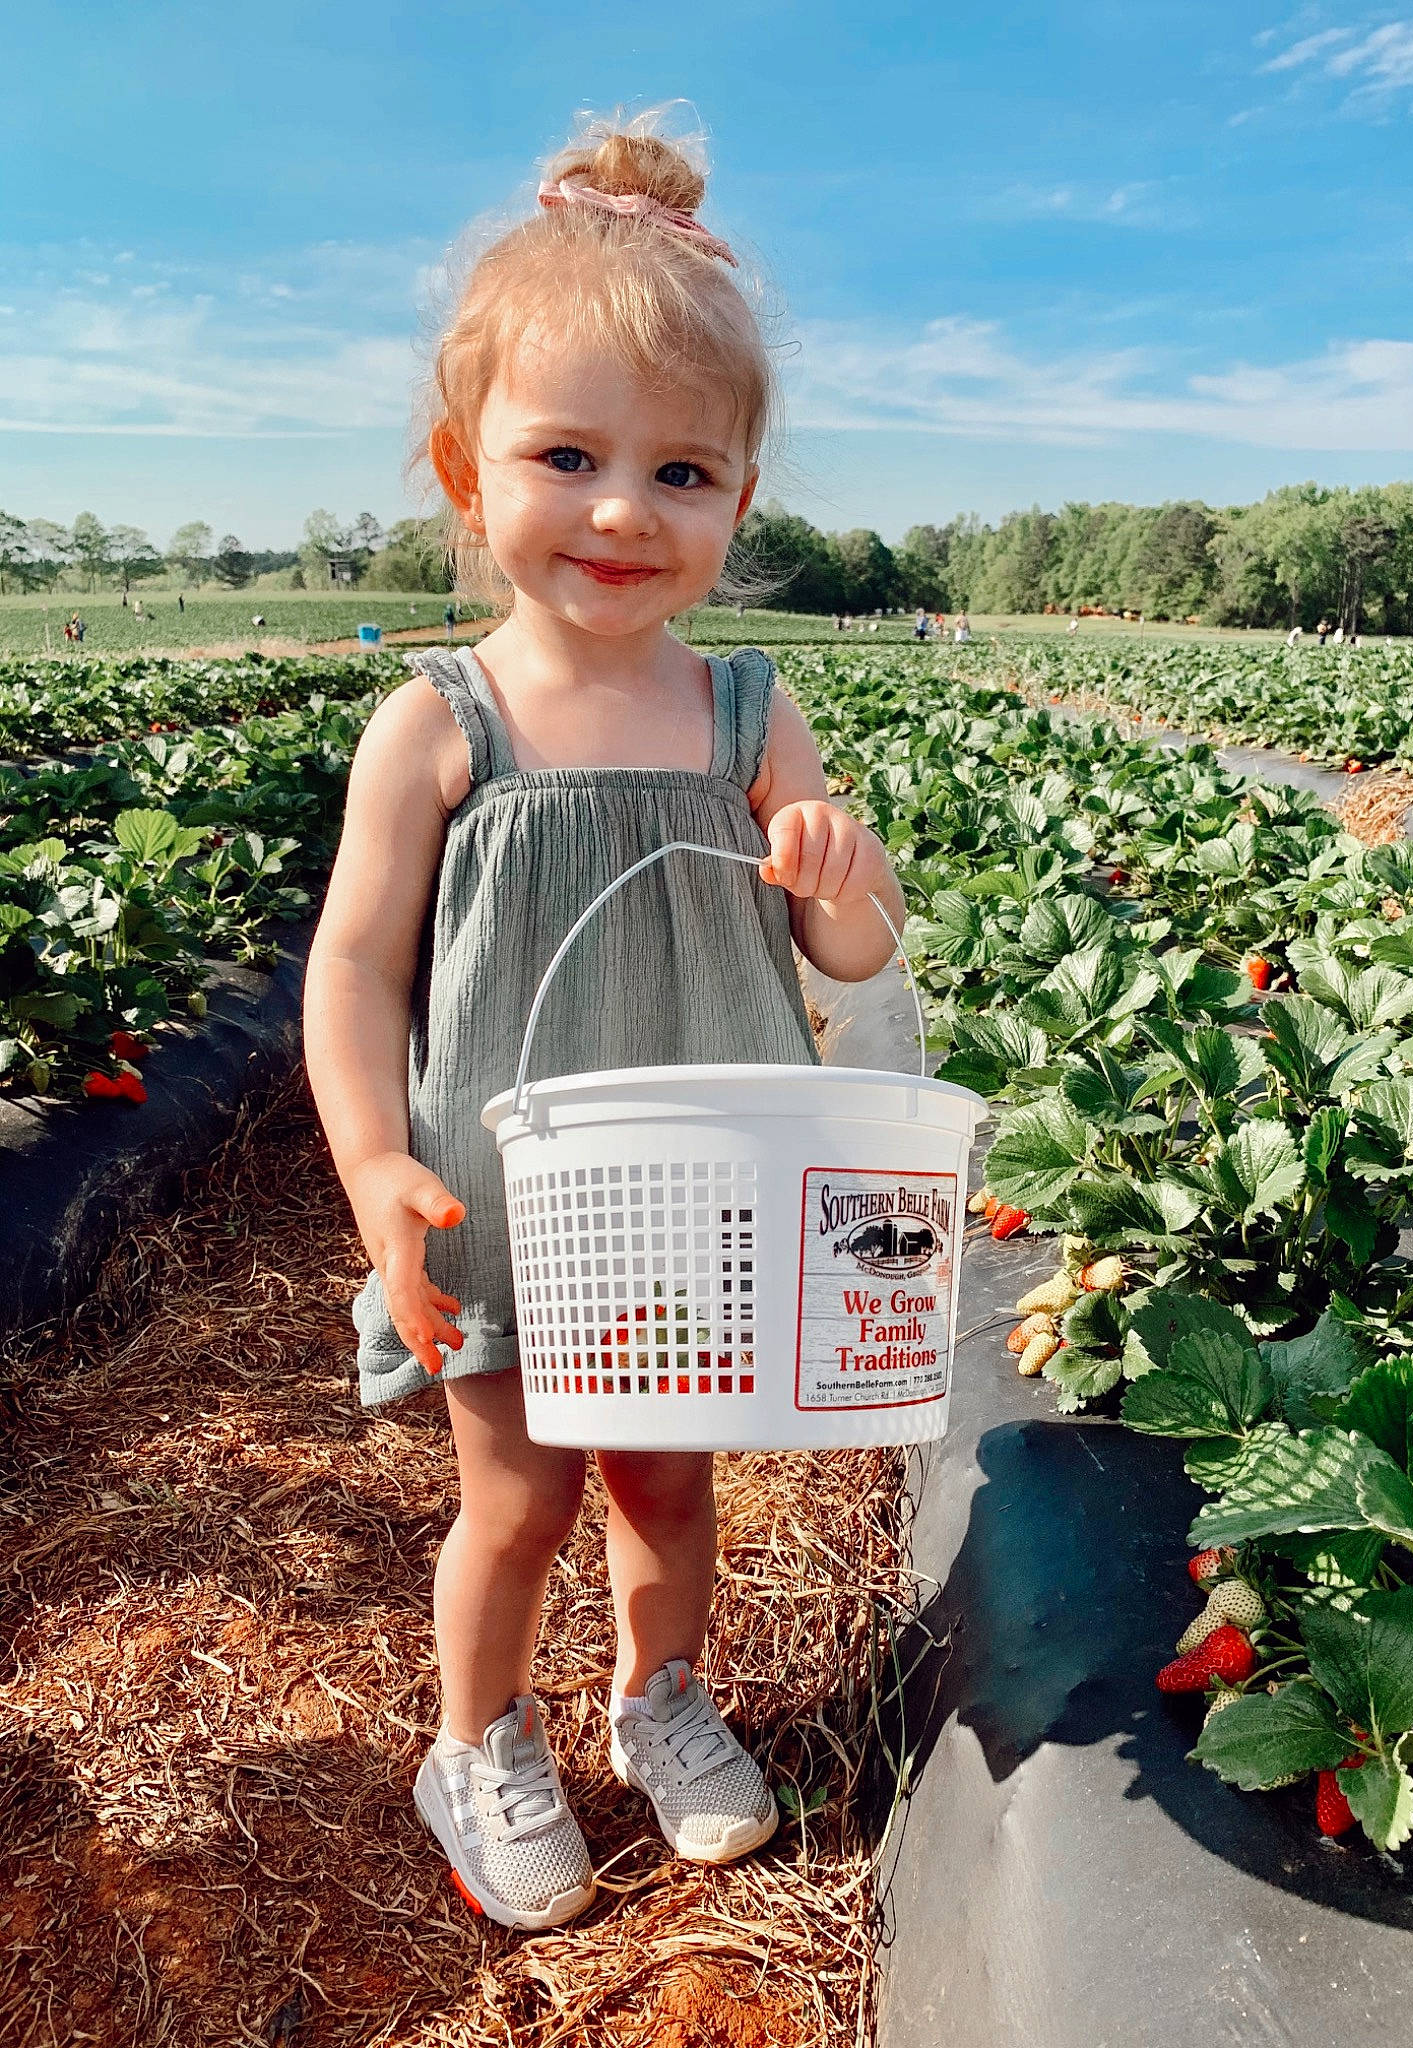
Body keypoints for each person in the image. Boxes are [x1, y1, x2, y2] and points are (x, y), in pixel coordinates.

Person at [303, 109, 905, 1934]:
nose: (626, 510)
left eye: (686, 472)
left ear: (740, 497)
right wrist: (374, 1159)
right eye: (567, 455)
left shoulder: (747, 713)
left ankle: (656, 1700)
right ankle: (475, 1738)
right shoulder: (438, 725)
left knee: (661, 1483)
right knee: (517, 1496)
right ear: (461, 469)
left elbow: (857, 954)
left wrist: (831, 856)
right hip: (500, 1192)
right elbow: (350, 966)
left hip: (693, 1195)